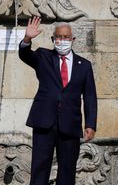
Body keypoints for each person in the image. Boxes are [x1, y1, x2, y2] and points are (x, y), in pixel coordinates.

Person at [18, 16, 97, 185]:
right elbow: (25, 54)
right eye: (59, 37)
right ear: (53, 39)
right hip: (44, 122)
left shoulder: (84, 65)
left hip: (70, 124)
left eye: (66, 37)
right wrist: (27, 38)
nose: (62, 40)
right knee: (39, 169)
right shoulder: (43, 56)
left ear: (73, 39)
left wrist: (90, 124)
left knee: (67, 172)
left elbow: (90, 96)